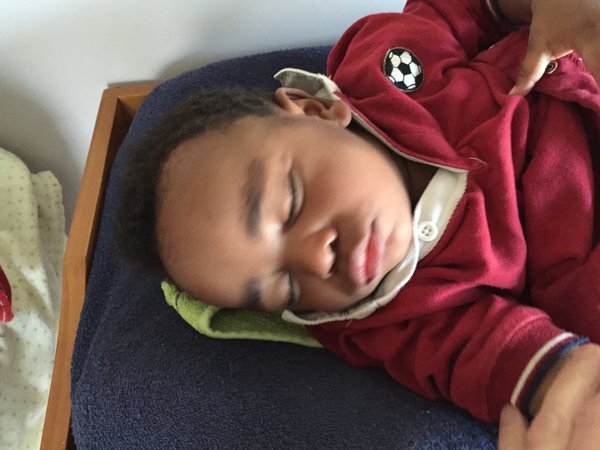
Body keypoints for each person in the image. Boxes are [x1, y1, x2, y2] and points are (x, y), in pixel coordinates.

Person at [117, 0, 600, 447]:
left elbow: (466, 8)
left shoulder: (381, 64)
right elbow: (491, 355)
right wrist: (568, 386)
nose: (316, 260)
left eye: (292, 203)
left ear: (314, 111)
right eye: (286, 287)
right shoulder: (390, 321)